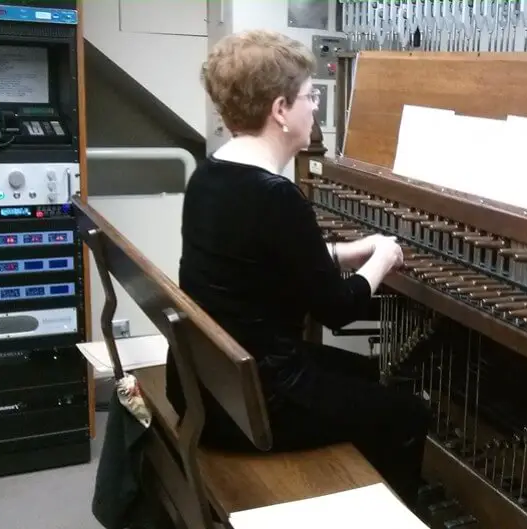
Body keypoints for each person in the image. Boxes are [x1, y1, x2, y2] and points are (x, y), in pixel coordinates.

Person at [164, 29, 431, 505]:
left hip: (203, 384)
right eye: (310, 96)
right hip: (255, 408)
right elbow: (338, 310)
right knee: (408, 413)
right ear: (280, 111)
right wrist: (384, 260)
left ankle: (355, 492)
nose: (315, 108)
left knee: (367, 375)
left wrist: (347, 253)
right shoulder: (275, 195)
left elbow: (259, 264)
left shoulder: (212, 175)